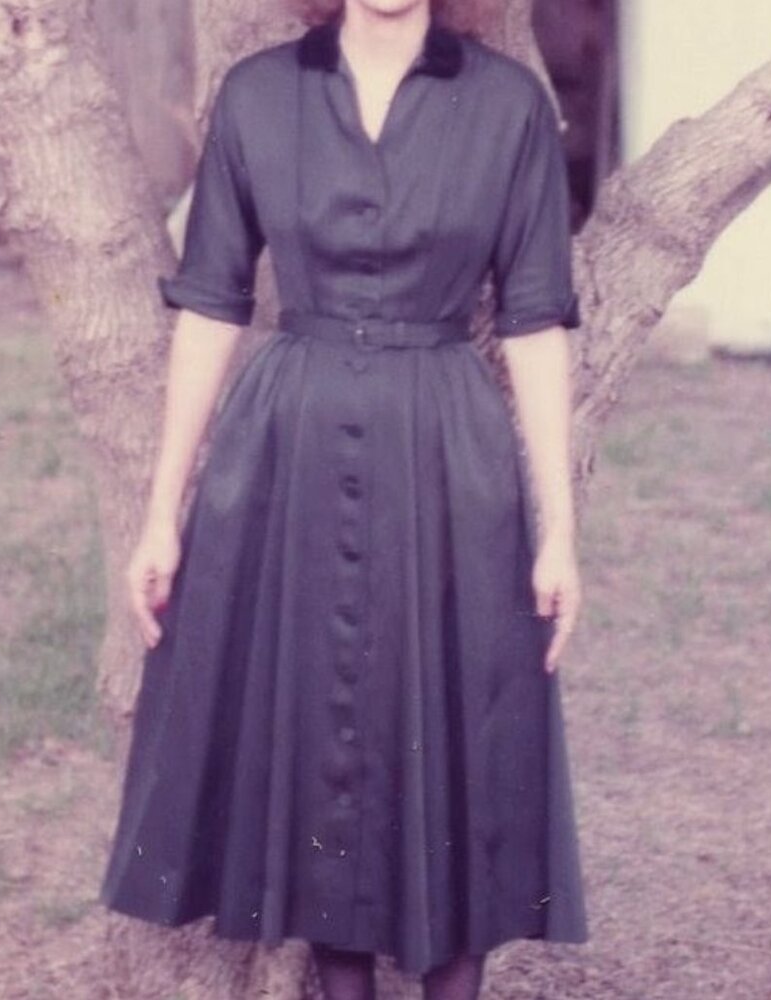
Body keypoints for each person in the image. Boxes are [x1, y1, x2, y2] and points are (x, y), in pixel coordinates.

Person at [98, 1, 588, 997]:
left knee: (463, 713)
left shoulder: (507, 106)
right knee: (317, 728)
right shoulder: (258, 95)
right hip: (290, 448)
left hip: (450, 452)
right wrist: (161, 512)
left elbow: (536, 324)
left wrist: (560, 533)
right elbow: (209, 308)